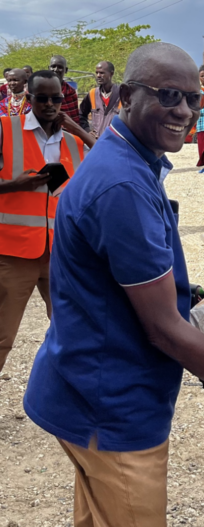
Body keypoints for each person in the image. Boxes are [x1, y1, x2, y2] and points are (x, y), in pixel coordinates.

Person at [23, 43, 204, 527]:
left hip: (83, 388)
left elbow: (148, 292)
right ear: (128, 96)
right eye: (169, 95)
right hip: (111, 407)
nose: (185, 110)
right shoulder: (122, 186)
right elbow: (165, 330)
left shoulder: (130, 159)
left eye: (194, 100)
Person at [0, 70, 95, 373]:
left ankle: (75, 408)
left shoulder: (74, 143)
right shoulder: (5, 130)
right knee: (2, 337)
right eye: (42, 98)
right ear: (29, 98)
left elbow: (117, 160)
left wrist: (80, 131)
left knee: (76, 335)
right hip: (13, 255)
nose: (50, 104)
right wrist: (13, 186)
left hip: (62, 256)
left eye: (56, 98)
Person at [79, 61, 121, 137]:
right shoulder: (92, 94)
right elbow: (81, 115)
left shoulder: (122, 95)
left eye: (102, 73)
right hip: (96, 143)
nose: (98, 75)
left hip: (115, 143)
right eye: (97, 73)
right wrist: (87, 131)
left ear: (111, 74)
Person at [49, 55, 80, 124]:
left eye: (60, 67)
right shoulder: (41, 89)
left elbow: (74, 119)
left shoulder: (70, 91)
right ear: (49, 68)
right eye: (53, 66)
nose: (56, 69)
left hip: (66, 132)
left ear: (65, 70)